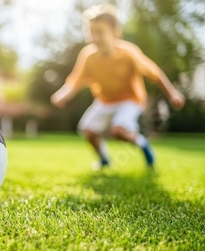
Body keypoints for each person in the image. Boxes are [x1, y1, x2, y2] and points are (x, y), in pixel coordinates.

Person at [50, 4, 185, 169]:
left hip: (130, 100)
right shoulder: (88, 55)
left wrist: (172, 94)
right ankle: (104, 160)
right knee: (89, 132)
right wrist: (62, 94)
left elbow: (155, 74)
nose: (95, 37)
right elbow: (74, 81)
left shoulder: (129, 53)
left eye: (100, 32)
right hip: (105, 100)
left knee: (118, 131)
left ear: (115, 32)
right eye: (91, 32)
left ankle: (142, 143)